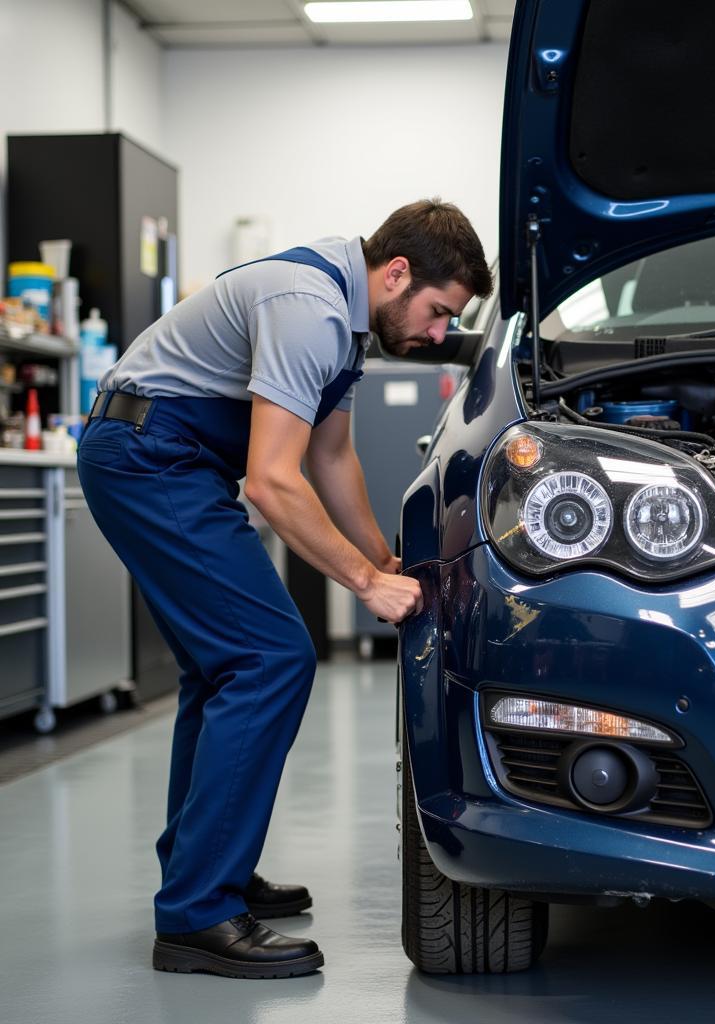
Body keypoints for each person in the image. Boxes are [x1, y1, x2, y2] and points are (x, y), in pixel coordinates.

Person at [77, 199, 492, 980]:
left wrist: (388, 560)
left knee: (222, 666)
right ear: (396, 273)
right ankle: (198, 914)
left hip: (166, 457)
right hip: (146, 456)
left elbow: (333, 460)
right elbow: (273, 481)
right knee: (270, 657)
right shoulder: (309, 309)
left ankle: (206, 868)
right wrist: (365, 583)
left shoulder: (345, 322)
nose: (440, 336)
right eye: (439, 312)